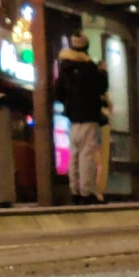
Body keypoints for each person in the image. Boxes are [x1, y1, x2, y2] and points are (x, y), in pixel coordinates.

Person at [53, 33, 109, 204]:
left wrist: (70, 105)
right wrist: (103, 72)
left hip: (73, 117)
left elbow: (58, 92)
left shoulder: (65, 67)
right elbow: (101, 87)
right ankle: (87, 192)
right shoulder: (89, 68)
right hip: (89, 116)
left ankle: (75, 190)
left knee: (75, 154)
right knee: (87, 154)